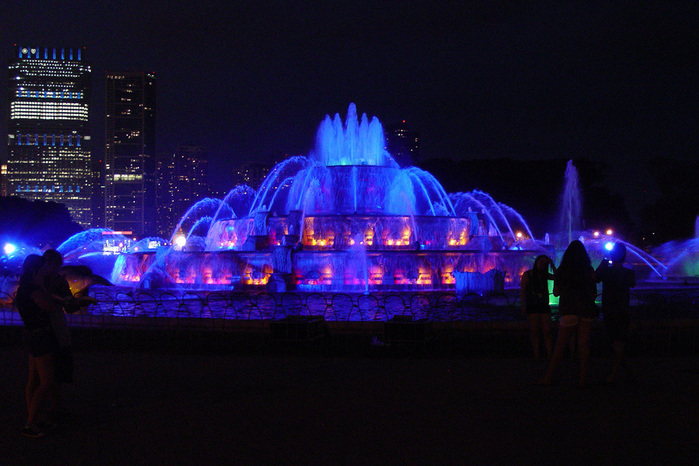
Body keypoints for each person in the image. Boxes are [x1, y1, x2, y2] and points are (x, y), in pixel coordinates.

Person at [538, 240, 598, 387]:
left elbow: (556, 293)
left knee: (560, 345)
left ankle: (549, 376)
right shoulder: (589, 270)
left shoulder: (562, 270)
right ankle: (582, 379)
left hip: (569, 310)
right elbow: (594, 293)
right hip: (586, 310)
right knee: (584, 345)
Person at [16, 255, 57, 437]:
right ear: (35, 271)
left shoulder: (24, 288)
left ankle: (36, 418)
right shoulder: (34, 290)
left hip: (30, 335)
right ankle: (30, 423)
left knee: (33, 380)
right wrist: (42, 285)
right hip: (39, 337)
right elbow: (49, 307)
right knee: (47, 381)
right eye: (42, 269)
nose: (45, 271)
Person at [595, 243, 636, 384]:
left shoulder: (606, 271)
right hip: (623, 310)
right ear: (625, 256)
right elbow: (632, 284)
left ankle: (614, 373)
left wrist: (604, 262)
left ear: (612, 255)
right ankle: (628, 372)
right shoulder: (629, 273)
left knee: (616, 341)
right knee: (619, 341)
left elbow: (595, 277)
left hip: (609, 310)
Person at [521, 255, 556, 359]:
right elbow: (523, 292)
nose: (543, 264)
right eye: (541, 262)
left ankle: (549, 354)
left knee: (547, 331)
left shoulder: (545, 275)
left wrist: (552, 265)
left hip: (544, 306)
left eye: (545, 263)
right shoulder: (527, 275)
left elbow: (558, 277)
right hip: (533, 306)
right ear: (536, 262)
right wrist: (523, 306)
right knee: (535, 331)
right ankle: (537, 354)